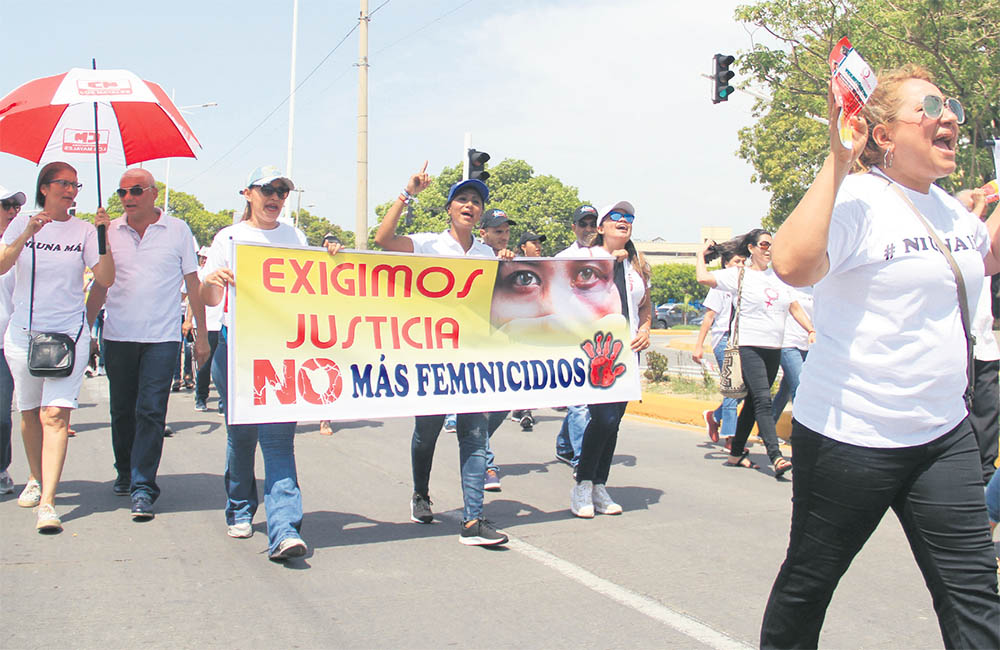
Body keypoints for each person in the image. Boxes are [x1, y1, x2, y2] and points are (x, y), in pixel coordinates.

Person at [761, 65, 1000, 648]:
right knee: (810, 582)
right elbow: (791, 265)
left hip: (943, 434)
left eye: (952, 107)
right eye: (930, 108)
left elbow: (983, 260)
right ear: (885, 135)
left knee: (974, 593)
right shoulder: (860, 201)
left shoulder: (949, 210)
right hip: (850, 436)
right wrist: (840, 159)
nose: (949, 117)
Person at [374, 161, 509, 547]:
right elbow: (384, 240)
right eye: (462, 200)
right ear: (449, 208)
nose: (469, 205)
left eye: (476, 202)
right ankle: (420, 492)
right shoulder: (428, 244)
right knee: (427, 432)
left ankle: (473, 520)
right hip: (431, 356)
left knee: (474, 432)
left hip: (473, 359)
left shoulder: (487, 254)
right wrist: (407, 193)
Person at [201, 165, 332, 561]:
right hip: (235, 346)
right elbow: (207, 299)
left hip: (280, 349)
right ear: (247, 194)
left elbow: (313, 287)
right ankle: (240, 506)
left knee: (277, 440)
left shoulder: (295, 237)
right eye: (267, 190)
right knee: (241, 434)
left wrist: (332, 260)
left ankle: (284, 529)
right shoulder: (229, 238)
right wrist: (215, 281)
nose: (275, 197)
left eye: (282, 191)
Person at [85, 168, 210, 521]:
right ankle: (125, 471)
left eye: (136, 190)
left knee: (151, 412)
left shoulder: (178, 230)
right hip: (118, 336)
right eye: (122, 191)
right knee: (122, 411)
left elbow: (193, 281)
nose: (128, 198)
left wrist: (201, 334)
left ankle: (143, 487)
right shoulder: (107, 231)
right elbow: (100, 285)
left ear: (154, 193)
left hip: (162, 338)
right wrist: (82, 329)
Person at [1, 162, 114, 532]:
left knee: (55, 416)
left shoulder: (84, 230)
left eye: (75, 184)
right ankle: (35, 477)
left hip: (68, 334)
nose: (70, 190)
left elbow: (105, 278)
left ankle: (48, 502)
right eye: (63, 183)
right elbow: (2, 265)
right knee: (30, 412)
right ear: (45, 188)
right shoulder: (23, 223)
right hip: (23, 333)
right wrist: (27, 234)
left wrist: (103, 236)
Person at [696, 229, 814, 478]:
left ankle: (736, 453)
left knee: (752, 402)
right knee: (763, 398)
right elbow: (703, 278)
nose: (768, 249)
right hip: (748, 346)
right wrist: (700, 254)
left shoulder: (780, 277)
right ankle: (776, 455)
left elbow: (794, 307)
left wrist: (811, 329)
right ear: (751, 248)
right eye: (763, 244)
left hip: (774, 347)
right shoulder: (739, 275)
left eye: (772, 245)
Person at [570, 201, 651, 518]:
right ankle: (582, 484)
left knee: (614, 422)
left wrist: (645, 328)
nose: (624, 221)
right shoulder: (585, 260)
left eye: (629, 218)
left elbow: (644, 304)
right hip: (597, 352)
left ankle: (599, 485)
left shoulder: (636, 263)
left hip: (628, 354)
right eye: (616, 217)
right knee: (602, 418)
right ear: (600, 227)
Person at [955, 187, 1000, 485]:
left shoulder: (979, 242)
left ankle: (984, 486)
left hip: (984, 345)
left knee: (988, 417)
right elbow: (973, 237)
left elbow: (989, 247)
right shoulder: (956, 241)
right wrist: (978, 207)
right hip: (958, 346)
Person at [553, 204, 600, 469]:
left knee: (589, 403)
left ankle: (564, 444)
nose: (588, 229)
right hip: (572, 339)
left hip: (602, 340)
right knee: (580, 403)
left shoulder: (608, 256)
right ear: (574, 228)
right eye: (583, 224)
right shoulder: (563, 258)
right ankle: (583, 461)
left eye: (593, 224)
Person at [691, 239, 745, 449]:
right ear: (726, 264)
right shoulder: (719, 285)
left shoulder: (746, 284)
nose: (741, 265)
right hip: (724, 339)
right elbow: (709, 317)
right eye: (737, 261)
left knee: (745, 389)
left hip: (742, 340)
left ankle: (715, 416)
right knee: (733, 387)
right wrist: (699, 345)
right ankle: (731, 438)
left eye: (743, 261)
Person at [0, 185, 25, 496]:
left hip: (8, 343)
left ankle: (1, 467)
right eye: (5, 205)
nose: (11, 210)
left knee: (1, 416)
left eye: (14, 205)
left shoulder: (20, 246)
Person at [769, 284, 813, 421]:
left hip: (807, 344)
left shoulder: (814, 289)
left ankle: (766, 429)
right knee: (800, 387)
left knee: (785, 390)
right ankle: (800, 433)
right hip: (788, 342)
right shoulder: (787, 287)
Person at [193, 246, 223, 414]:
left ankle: (223, 403)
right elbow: (193, 299)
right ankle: (201, 397)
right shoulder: (203, 276)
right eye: (202, 258)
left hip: (224, 325)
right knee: (204, 365)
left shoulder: (229, 274)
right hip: (209, 325)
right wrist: (190, 321)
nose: (204, 260)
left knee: (223, 367)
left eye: (206, 257)